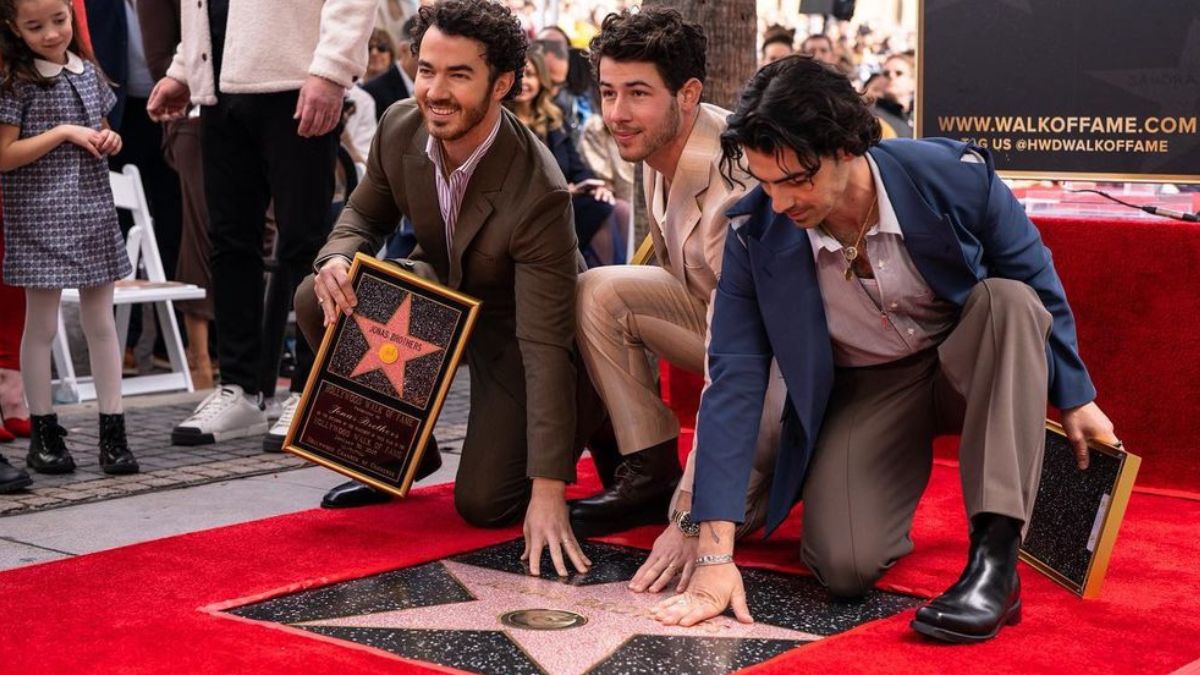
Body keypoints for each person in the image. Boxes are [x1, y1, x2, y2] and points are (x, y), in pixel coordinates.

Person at [648, 56, 1117, 645]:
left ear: (846, 146)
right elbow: (734, 378)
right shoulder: (755, 232)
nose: (782, 201)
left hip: (967, 357)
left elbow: (1035, 276)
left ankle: (995, 563)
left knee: (1011, 301)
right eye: (766, 181)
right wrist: (715, 559)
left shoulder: (953, 175)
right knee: (841, 565)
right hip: (869, 386)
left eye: (797, 179)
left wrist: (1076, 397)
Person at [296, 0, 596, 578]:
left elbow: (544, 346)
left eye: (459, 75)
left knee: (486, 506)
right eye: (428, 69)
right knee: (320, 292)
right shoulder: (399, 124)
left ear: (503, 83)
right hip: (441, 302)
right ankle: (393, 456)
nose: (435, 90)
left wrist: (549, 489)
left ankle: (595, 410)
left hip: (518, 330)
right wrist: (336, 257)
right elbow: (362, 216)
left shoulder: (541, 191)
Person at [569, 8, 784, 587]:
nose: (617, 114)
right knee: (597, 289)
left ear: (689, 94)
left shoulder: (735, 182)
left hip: (784, 367)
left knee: (719, 523)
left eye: (638, 93)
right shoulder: (653, 144)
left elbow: (747, 362)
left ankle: (763, 480)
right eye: (609, 92)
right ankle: (648, 468)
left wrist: (696, 512)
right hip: (720, 326)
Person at [146, 0, 377, 449]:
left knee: (305, 242)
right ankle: (240, 388)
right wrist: (184, 67)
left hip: (296, 76)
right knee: (230, 242)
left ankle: (309, 387)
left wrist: (332, 69)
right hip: (219, 85)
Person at [0, 0, 140, 478]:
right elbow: (4, 155)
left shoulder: (88, 71)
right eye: (35, 26)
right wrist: (62, 132)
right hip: (40, 217)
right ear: (14, 28)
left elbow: (100, 129)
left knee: (102, 321)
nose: (51, 34)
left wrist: (108, 139)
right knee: (40, 325)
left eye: (58, 20)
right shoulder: (17, 82)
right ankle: (43, 432)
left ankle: (113, 431)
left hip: (92, 211)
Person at [503, 49, 621, 266]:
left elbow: (578, 166)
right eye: (517, 76)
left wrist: (597, 185)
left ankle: (603, 278)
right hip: (525, 210)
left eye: (529, 74)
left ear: (541, 80)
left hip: (565, 200)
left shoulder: (553, 119)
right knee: (599, 210)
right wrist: (563, 190)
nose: (523, 82)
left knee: (604, 204)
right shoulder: (501, 123)